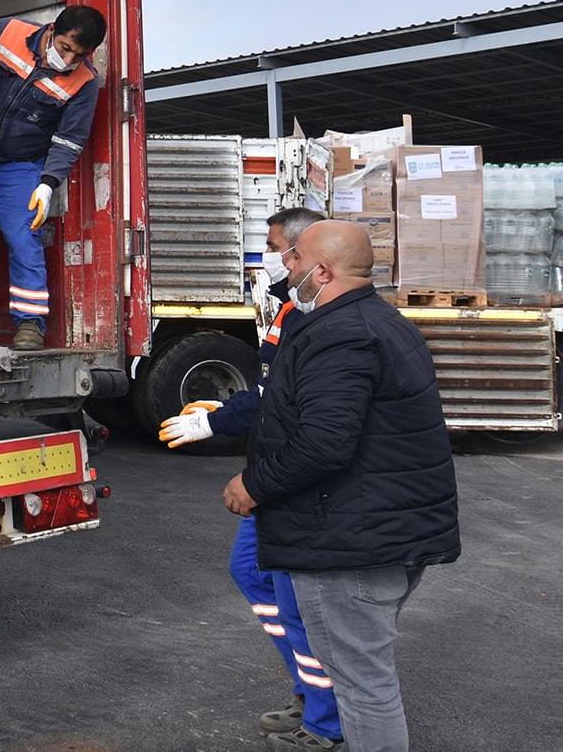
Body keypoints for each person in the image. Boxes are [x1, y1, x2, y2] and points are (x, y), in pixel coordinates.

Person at [221, 220, 461, 752]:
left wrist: (253, 485)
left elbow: (325, 442)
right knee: (363, 677)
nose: (287, 267)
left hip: (350, 541)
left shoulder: (341, 334)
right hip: (380, 529)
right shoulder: (380, 321)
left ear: (323, 272)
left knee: (363, 687)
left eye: (296, 260)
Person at [160, 207, 342, 750]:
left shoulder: (322, 319)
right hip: (276, 468)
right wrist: (229, 408)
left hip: (292, 480)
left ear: (302, 252)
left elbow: (294, 407)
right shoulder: (290, 308)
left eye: (274, 247)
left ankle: (327, 719)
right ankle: (312, 691)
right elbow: (271, 391)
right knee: (254, 576)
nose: (267, 257)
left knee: (295, 598)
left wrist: (218, 421)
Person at [0, 4, 108, 350]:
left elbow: (70, 139)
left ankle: (29, 325)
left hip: (19, 170)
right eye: (65, 48)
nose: (67, 60)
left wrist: (47, 184)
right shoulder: (10, 32)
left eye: (79, 55)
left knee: (24, 241)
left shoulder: (84, 82)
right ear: (51, 30)